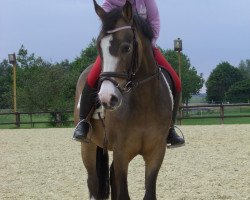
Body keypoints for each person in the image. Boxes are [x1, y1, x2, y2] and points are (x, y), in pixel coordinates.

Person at [73, 0, 185, 147]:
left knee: (176, 81)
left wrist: (147, 45)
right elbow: (106, 25)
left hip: (145, 48)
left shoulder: (147, 1)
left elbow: (155, 22)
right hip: (118, 49)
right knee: (92, 78)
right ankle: (83, 123)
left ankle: (170, 128)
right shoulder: (110, 2)